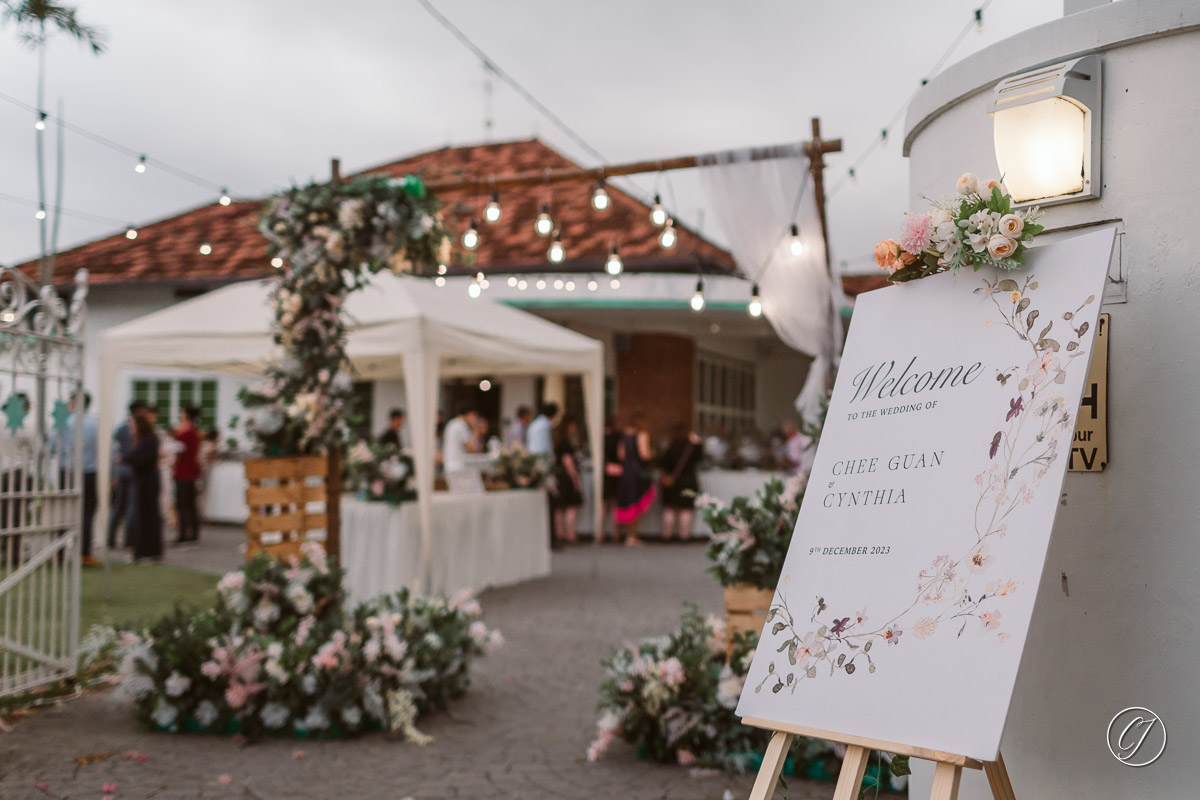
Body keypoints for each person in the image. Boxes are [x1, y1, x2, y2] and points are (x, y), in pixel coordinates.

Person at [50, 393, 100, 564]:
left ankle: (60, 553)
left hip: (67, 471)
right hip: (89, 472)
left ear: (72, 403)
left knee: (63, 511)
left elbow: (51, 447)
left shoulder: (63, 422)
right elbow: (106, 451)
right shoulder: (95, 424)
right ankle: (84, 552)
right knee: (87, 513)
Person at [0, 393, 36, 567]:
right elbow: (37, 450)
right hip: (19, 472)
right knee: (18, 515)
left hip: (2, 472)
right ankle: (13, 553)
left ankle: (5, 548)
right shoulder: (25, 427)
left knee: (4, 514)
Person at [126, 406, 163, 561]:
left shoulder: (148, 439)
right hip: (145, 481)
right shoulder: (147, 439)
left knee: (147, 516)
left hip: (147, 482)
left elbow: (142, 460)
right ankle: (144, 549)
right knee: (145, 516)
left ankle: (147, 550)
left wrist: (128, 458)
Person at [615, 411, 655, 547]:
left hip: (626, 472)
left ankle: (629, 535)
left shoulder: (624, 436)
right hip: (637, 472)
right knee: (635, 503)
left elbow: (621, 456)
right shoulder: (642, 435)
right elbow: (644, 454)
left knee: (628, 503)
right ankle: (632, 536)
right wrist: (652, 453)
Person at [109, 400, 145, 550]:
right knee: (131, 505)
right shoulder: (137, 428)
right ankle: (128, 539)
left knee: (118, 504)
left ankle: (110, 537)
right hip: (132, 468)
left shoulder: (120, 429)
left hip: (121, 468)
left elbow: (115, 449)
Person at [659, 422, 703, 541]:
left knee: (669, 509)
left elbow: (663, 463)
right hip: (688, 481)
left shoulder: (670, 446)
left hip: (672, 481)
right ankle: (684, 536)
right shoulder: (691, 447)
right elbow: (700, 459)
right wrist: (698, 443)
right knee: (686, 509)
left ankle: (667, 535)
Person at [548, 417, 583, 544]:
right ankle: (570, 533)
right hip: (567, 477)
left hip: (558, 476)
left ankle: (559, 533)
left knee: (559, 507)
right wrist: (575, 480)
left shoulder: (556, 440)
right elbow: (568, 461)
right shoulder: (566, 443)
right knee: (571, 505)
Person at [172, 406, 203, 545]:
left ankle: (183, 533)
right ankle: (194, 532)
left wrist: (174, 467)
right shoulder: (196, 433)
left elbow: (179, 452)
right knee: (191, 504)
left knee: (182, 504)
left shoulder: (184, 433)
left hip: (183, 471)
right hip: (192, 471)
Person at [600, 416, 622, 543]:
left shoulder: (599, 437)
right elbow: (621, 454)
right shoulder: (618, 436)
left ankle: (600, 531)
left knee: (603, 505)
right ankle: (615, 532)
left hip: (604, 471)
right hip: (616, 471)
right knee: (615, 504)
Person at [441, 403, 479, 475]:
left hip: (449, 466)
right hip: (458, 468)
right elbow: (471, 449)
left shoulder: (452, 423)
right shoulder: (462, 425)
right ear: (469, 414)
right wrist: (476, 431)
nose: (475, 419)